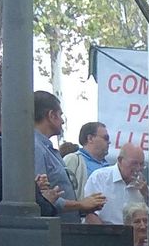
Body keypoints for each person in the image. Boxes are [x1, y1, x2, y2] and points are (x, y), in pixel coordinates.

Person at [33, 91, 104, 221]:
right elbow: (43, 197)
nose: (62, 121)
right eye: (60, 115)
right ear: (51, 116)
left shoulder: (46, 149)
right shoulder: (36, 148)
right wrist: (81, 204)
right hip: (54, 231)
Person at [83, 143, 149, 227]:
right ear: (120, 160)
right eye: (134, 163)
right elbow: (90, 214)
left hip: (134, 237)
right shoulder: (99, 178)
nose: (138, 168)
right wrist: (107, 235)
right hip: (105, 233)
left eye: (141, 164)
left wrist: (147, 195)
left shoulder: (143, 188)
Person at [62, 121, 111, 199]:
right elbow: (63, 193)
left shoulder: (108, 167)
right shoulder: (73, 160)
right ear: (90, 138)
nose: (109, 142)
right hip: (82, 210)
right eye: (106, 138)